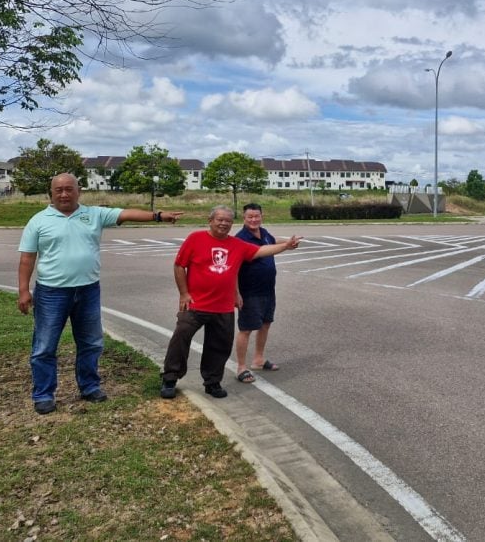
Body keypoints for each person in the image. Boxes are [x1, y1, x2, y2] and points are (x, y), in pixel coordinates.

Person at [17, 172, 182, 415]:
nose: (64, 194)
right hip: (51, 293)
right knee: (44, 346)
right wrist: (23, 290)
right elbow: (27, 258)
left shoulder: (93, 214)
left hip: (87, 290)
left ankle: (89, 386)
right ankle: (43, 394)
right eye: (58, 190)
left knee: (91, 343)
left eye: (69, 189)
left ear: (78, 191)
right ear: (51, 193)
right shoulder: (39, 221)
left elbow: (125, 214)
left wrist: (157, 216)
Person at [160, 206, 301, 400]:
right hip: (195, 304)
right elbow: (179, 265)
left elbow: (261, 250)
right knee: (180, 338)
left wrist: (285, 246)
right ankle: (170, 378)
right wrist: (184, 294)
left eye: (227, 221)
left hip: (223, 306)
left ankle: (212, 382)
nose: (224, 223)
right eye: (220, 219)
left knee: (219, 346)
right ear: (210, 221)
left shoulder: (237, 244)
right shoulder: (195, 238)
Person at [233, 203, 282, 384]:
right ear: (243, 218)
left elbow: (273, 242)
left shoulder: (264, 233)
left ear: (262, 216)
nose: (254, 220)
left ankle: (259, 359)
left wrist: (288, 242)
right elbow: (234, 269)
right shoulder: (241, 239)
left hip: (268, 289)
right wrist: (235, 293)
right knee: (246, 329)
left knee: (265, 324)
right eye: (250, 217)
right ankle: (241, 367)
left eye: (257, 216)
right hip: (249, 292)